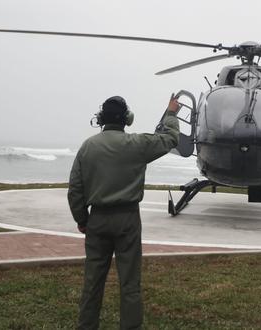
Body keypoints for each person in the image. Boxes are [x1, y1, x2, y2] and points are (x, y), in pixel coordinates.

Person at [68, 94, 180, 330]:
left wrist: (82, 219)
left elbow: (75, 189)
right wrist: (171, 114)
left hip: (97, 219)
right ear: (127, 119)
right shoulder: (136, 144)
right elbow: (169, 139)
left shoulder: (88, 147)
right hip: (127, 218)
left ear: (100, 120)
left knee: (92, 283)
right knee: (130, 283)